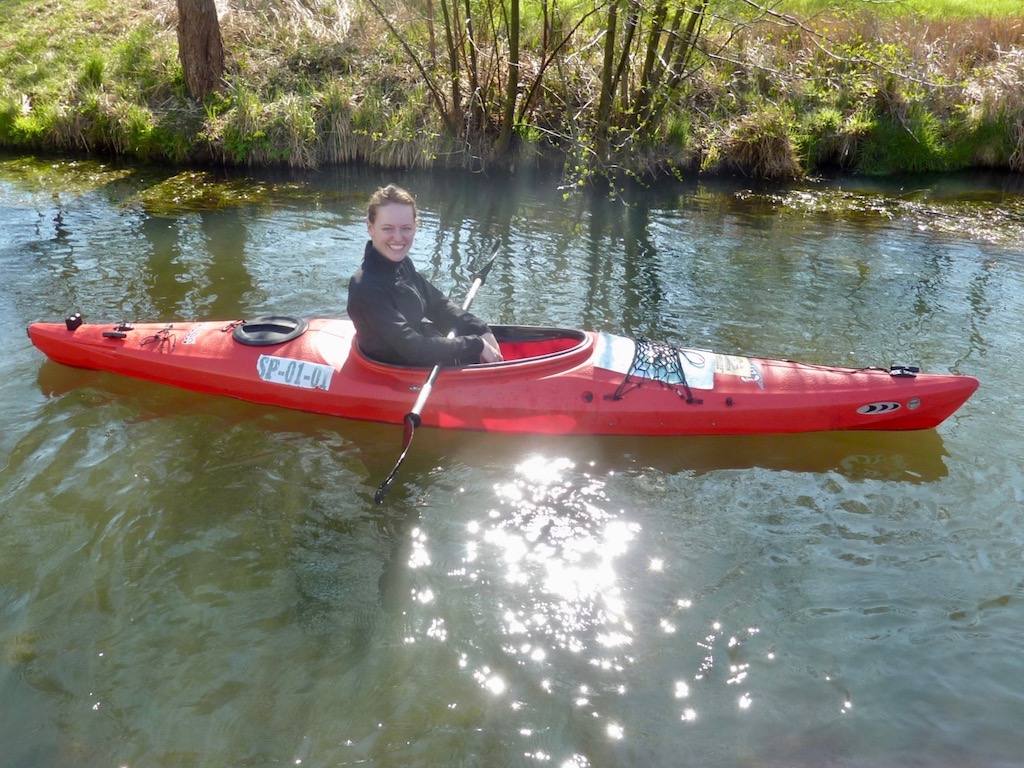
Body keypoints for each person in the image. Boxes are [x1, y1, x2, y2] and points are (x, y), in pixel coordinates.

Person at [347, 184, 504, 367]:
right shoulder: (365, 287)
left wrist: (480, 328)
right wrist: (475, 344)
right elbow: (412, 348)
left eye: (406, 228)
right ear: (370, 227)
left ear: (415, 226)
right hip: (398, 368)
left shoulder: (403, 264)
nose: (398, 238)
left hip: (421, 353)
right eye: (388, 229)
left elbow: (438, 305)